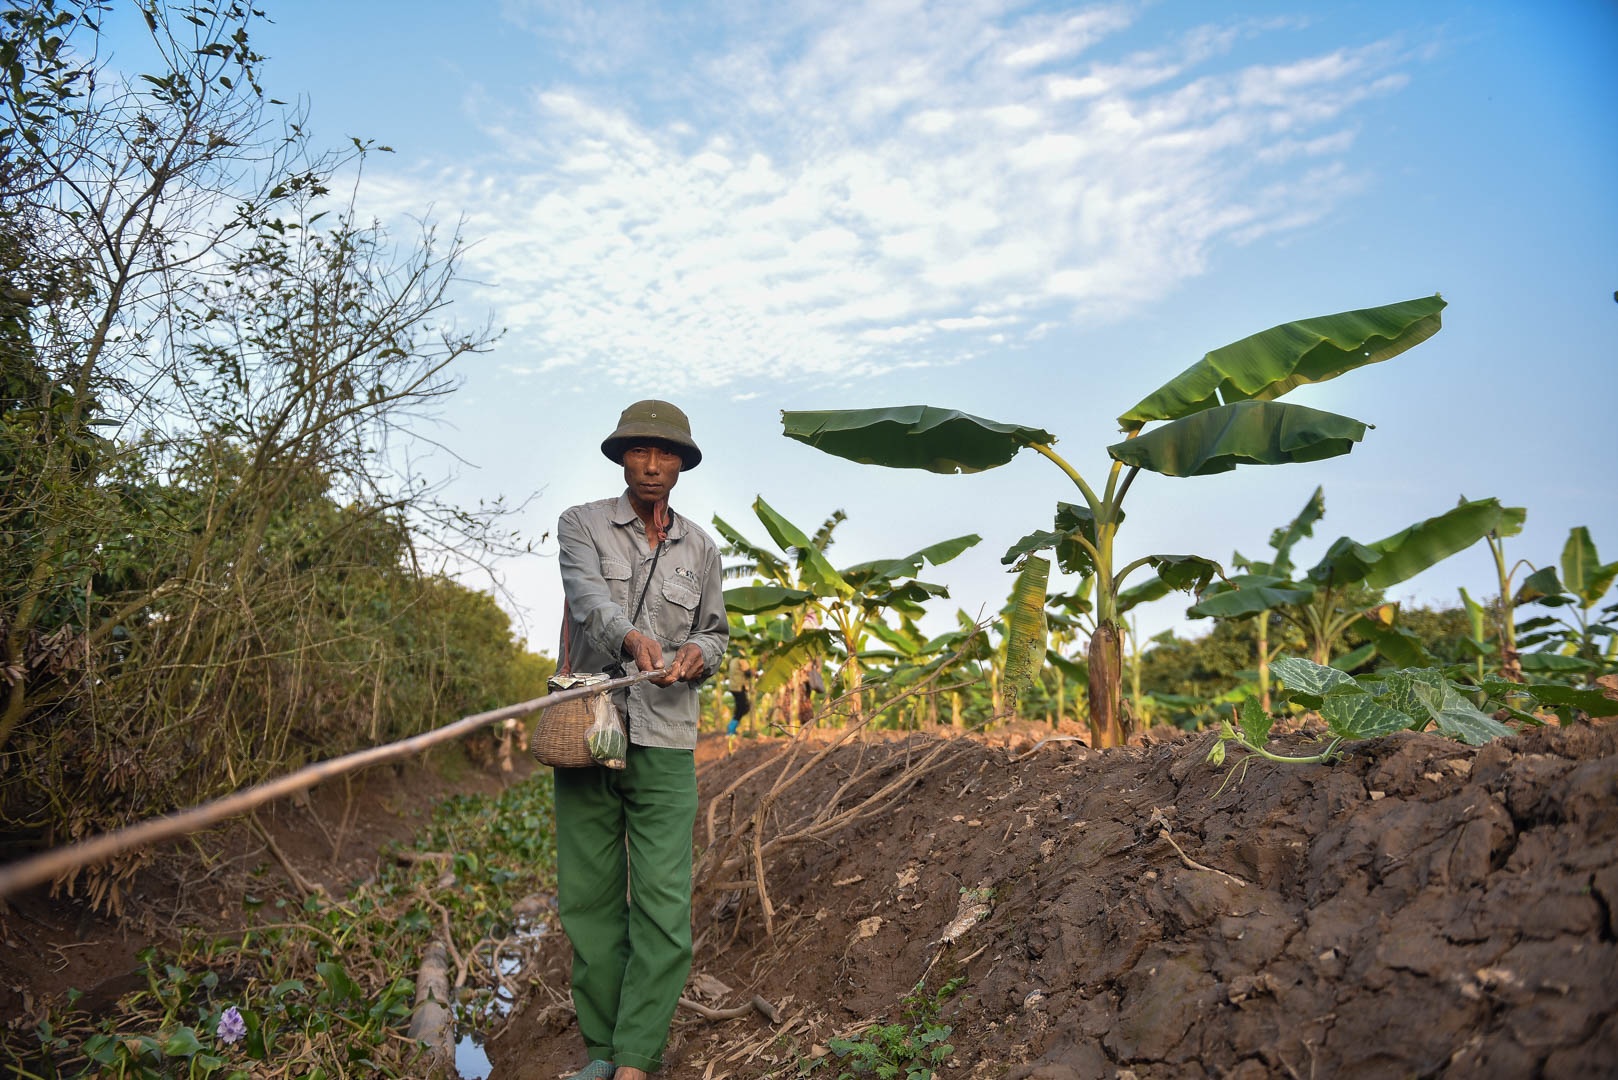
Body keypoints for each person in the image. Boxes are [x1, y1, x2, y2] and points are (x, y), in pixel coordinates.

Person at [552, 400, 728, 1080]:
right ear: (621, 457)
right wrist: (631, 637)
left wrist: (698, 657)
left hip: (667, 738)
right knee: (589, 900)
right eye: (639, 451)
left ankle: (635, 1061)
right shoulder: (581, 524)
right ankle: (601, 1054)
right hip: (590, 727)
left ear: (681, 464)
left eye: (665, 454)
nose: (652, 465)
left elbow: (716, 632)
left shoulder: (702, 549)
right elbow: (589, 600)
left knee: (661, 903)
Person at [725, 652, 753, 737]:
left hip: (733, 687)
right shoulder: (742, 660)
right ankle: (731, 729)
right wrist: (754, 672)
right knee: (743, 708)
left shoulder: (731, 659)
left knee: (740, 708)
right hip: (739, 687)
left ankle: (732, 727)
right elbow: (747, 672)